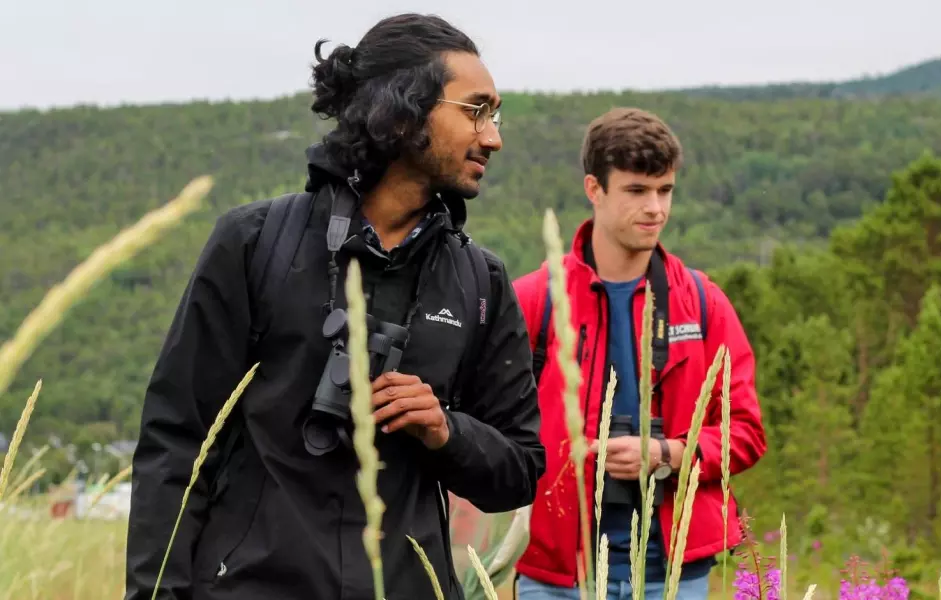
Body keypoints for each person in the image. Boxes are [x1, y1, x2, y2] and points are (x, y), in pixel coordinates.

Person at [124, 13, 545, 600]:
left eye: (494, 116)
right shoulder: (253, 243)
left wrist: (445, 429)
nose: (493, 136)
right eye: (475, 111)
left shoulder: (481, 281)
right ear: (402, 110)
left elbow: (519, 469)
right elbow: (176, 443)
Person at [510, 108, 767, 599]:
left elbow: (747, 433)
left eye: (664, 190)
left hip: (673, 574)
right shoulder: (537, 300)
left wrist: (665, 454)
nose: (655, 208)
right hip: (559, 574)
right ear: (594, 189)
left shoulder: (703, 301)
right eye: (636, 190)